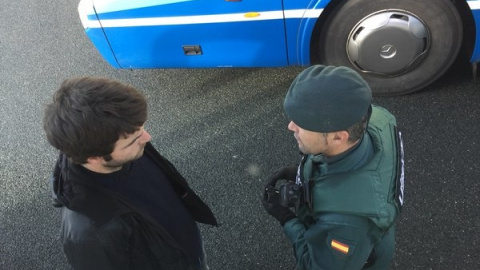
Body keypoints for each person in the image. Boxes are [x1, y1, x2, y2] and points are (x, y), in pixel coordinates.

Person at [43, 77, 217, 270]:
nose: (147, 137)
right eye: (133, 139)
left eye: (142, 129)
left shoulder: (119, 141)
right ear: (94, 157)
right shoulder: (89, 234)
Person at [262, 65, 404, 269]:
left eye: (302, 123)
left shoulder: (345, 222)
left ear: (339, 136)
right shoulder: (379, 121)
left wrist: (287, 219)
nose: (291, 126)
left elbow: (314, 264)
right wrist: (303, 173)